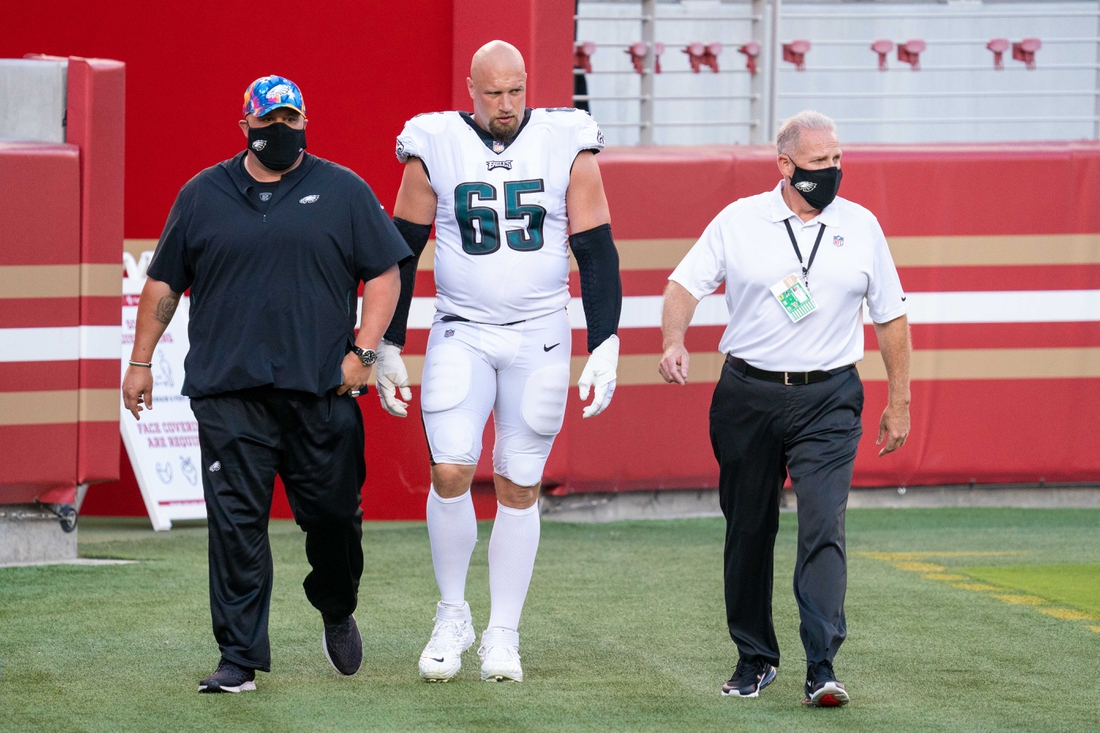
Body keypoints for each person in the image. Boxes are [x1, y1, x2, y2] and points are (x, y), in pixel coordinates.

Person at [121, 75, 411, 693]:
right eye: (268, 121)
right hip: (230, 395)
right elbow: (164, 285)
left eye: (290, 119)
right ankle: (239, 658)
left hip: (320, 393)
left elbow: (385, 273)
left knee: (335, 520)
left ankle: (336, 606)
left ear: (306, 122)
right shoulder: (202, 194)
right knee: (236, 525)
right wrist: (140, 361)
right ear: (244, 126)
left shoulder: (343, 190)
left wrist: (365, 351)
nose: (280, 130)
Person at [377, 40, 622, 683]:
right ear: (471, 89)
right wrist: (388, 341)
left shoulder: (567, 137)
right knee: (452, 470)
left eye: (515, 91)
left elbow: (595, 247)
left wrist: (605, 340)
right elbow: (400, 251)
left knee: (519, 482)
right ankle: (452, 614)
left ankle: (503, 633)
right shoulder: (433, 141)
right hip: (461, 328)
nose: (507, 105)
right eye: (494, 93)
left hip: (541, 331)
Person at [659, 110, 911, 707]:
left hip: (830, 398)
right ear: (785, 165)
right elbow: (683, 285)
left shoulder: (862, 225)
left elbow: (891, 315)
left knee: (823, 524)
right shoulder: (739, 220)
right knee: (749, 527)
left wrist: (899, 400)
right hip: (748, 394)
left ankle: (822, 665)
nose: (832, 171)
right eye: (819, 162)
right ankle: (755, 657)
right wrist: (674, 339)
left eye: (837, 159)